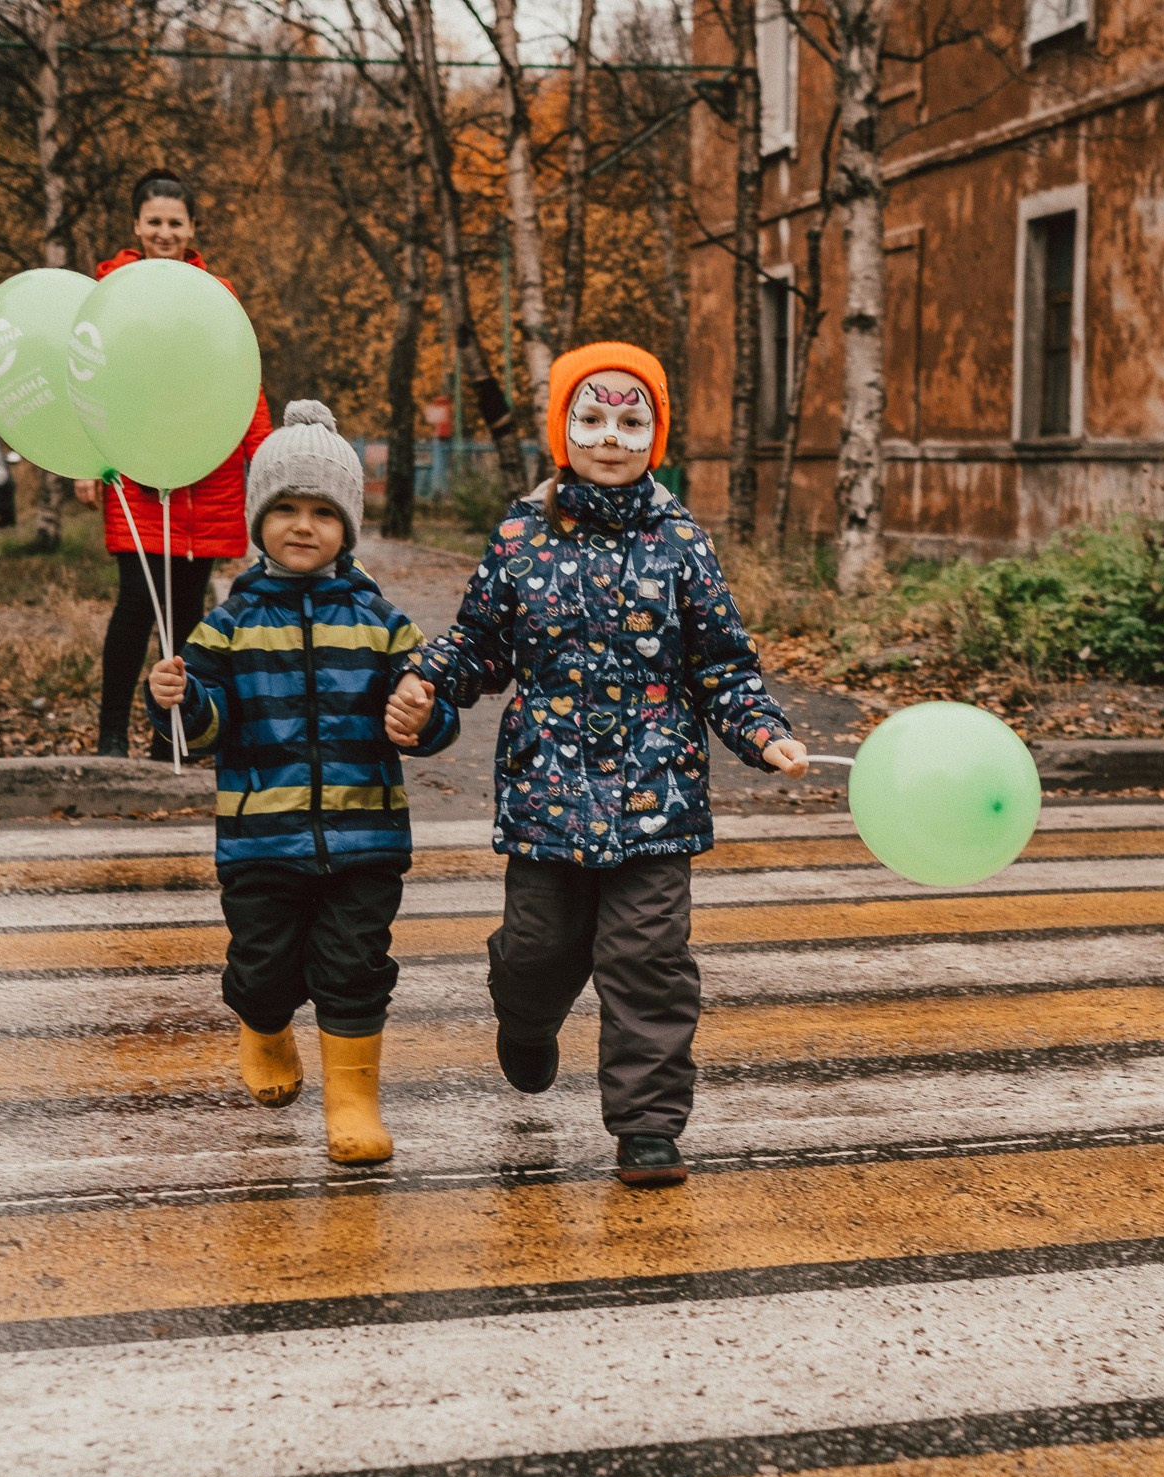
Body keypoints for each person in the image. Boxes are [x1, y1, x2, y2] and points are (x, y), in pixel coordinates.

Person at [386, 343, 810, 1187]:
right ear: (562, 429)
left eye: (630, 420)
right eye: (591, 418)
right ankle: (527, 1020)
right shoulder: (521, 534)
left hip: (658, 798)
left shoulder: (682, 540)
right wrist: (429, 682)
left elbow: (722, 662)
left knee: (647, 958)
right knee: (540, 950)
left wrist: (762, 730)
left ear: (654, 434)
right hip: (548, 792)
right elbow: (480, 642)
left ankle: (647, 1126)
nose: (610, 437)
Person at [148, 402, 460, 1165]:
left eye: (322, 511)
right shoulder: (226, 626)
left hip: (366, 838)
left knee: (356, 968)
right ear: (257, 519)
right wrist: (179, 700)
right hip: (261, 840)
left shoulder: (383, 621)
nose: (301, 525)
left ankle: (353, 1103)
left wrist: (421, 714)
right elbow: (201, 730)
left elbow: (431, 709)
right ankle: (262, 1024)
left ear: (347, 526)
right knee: (263, 969)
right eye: (283, 507)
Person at [81, 169, 270, 759]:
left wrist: (265, 462)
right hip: (136, 478)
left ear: (192, 229)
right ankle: (112, 736)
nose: (166, 232)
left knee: (189, 620)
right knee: (136, 606)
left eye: (176, 223)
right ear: (137, 226)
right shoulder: (108, 291)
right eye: (155, 222)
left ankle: (176, 738)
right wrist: (87, 463)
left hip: (207, 481)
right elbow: (85, 381)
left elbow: (243, 380)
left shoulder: (217, 294)